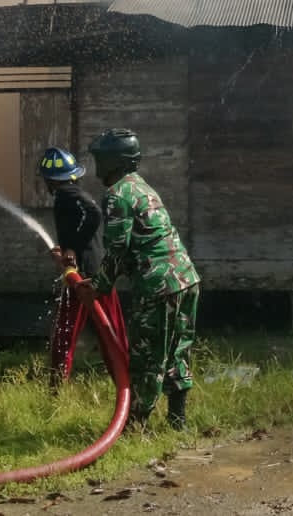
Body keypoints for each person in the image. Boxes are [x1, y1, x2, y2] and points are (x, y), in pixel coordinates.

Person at [73, 128, 201, 432]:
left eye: (100, 160)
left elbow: (116, 250)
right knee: (177, 351)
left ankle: (135, 427)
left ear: (113, 162)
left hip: (157, 286)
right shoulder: (143, 188)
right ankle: (177, 423)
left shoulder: (117, 195)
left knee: (147, 358)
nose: (96, 167)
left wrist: (99, 287)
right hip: (186, 278)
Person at [40, 146, 122, 386]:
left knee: (65, 335)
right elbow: (81, 225)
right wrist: (64, 247)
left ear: (50, 180)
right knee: (112, 333)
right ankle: (125, 381)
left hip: (83, 278)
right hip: (97, 272)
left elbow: (94, 213)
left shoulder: (66, 194)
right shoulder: (71, 192)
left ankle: (56, 387)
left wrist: (72, 248)